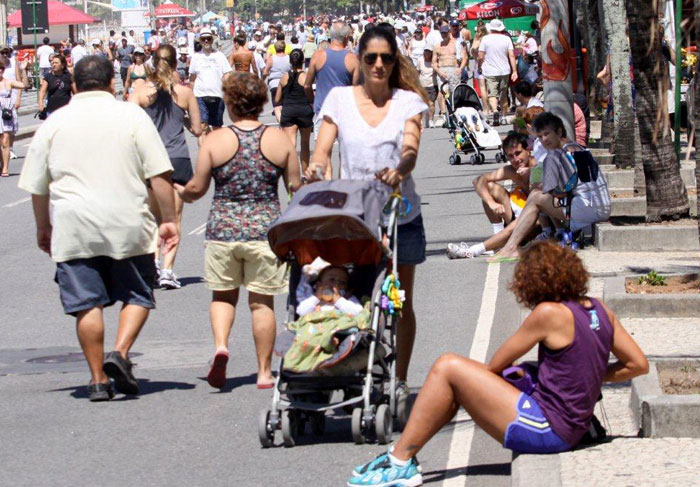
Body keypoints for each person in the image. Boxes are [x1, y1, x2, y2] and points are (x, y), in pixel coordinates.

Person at [349, 241, 649, 486]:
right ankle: (403, 457)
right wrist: (591, 377)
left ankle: (400, 461)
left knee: (447, 367)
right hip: (573, 425)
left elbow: (496, 365)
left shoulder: (548, 313)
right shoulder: (600, 310)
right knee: (459, 380)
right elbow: (637, 364)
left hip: (549, 429)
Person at [18, 56, 179, 401]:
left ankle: (96, 380)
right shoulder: (132, 116)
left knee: (87, 303)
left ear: (74, 86)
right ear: (112, 84)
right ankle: (119, 353)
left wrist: (42, 226)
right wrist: (168, 219)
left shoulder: (54, 123)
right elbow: (159, 175)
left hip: (74, 225)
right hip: (127, 222)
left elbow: (37, 185)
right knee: (138, 293)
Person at [307, 25, 428, 390]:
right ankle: (355, 364)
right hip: (355, 220)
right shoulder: (340, 100)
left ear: (394, 62)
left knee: (400, 300)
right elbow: (322, 150)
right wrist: (316, 169)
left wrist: (399, 170)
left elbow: (411, 149)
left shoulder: (407, 102)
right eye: (371, 57)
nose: (378, 65)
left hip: (400, 217)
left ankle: (401, 379)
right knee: (355, 296)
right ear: (360, 59)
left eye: (386, 58)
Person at [175, 72, 301, 390]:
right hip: (265, 232)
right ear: (260, 102)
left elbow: (198, 188)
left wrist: (179, 192)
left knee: (223, 297)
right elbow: (295, 189)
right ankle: (262, 372)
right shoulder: (279, 140)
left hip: (222, 231)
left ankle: (221, 346)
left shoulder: (216, 141)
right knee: (261, 303)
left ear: (229, 102)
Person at [490, 113, 611, 261]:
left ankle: (511, 247)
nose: (544, 140)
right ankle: (520, 243)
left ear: (559, 131)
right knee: (538, 194)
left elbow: (555, 191)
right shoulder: (576, 147)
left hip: (587, 208)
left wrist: (537, 184)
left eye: (547, 134)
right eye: (540, 136)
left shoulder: (556, 155)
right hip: (600, 205)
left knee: (535, 196)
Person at [130, 45, 201, 290]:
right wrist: (179, 118)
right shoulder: (184, 93)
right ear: (175, 65)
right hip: (178, 159)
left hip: (151, 159)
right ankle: (168, 270)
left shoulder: (141, 91)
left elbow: (128, 124)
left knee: (153, 217)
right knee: (175, 217)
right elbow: (198, 129)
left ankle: (153, 265)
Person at [447, 133, 538, 259]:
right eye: (510, 156)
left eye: (518, 153)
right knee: (489, 187)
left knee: (525, 217)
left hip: (537, 221)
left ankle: (473, 250)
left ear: (528, 150)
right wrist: (491, 203)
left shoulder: (539, 165)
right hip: (520, 213)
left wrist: (532, 172)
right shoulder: (511, 170)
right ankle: (498, 242)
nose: (515, 159)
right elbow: (478, 180)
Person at [304, 21, 360, 139]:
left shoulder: (318, 56)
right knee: (345, 152)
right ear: (346, 37)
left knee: (322, 151)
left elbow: (307, 85)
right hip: (344, 110)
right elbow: (357, 90)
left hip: (322, 109)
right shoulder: (352, 59)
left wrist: (312, 102)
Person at [189, 27, 233, 142]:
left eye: (208, 39)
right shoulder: (196, 57)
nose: (206, 41)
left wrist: (227, 91)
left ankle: (216, 151)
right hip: (200, 95)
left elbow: (227, 74)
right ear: (201, 41)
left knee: (217, 127)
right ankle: (205, 154)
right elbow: (192, 78)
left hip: (217, 95)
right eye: (204, 39)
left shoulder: (219, 56)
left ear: (212, 40)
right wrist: (191, 98)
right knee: (203, 126)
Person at [276, 49, 313, 173]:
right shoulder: (306, 76)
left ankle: (292, 175)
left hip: (289, 111)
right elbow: (310, 96)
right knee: (305, 144)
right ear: (303, 60)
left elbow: (277, 99)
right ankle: (305, 173)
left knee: (291, 145)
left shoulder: (284, 77)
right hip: (304, 110)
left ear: (290, 61)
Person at [478, 19, 517, 126]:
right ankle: (503, 117)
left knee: (492, 94)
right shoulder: (506, 39)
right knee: (504, 94)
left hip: (490, 70)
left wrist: (479, 66)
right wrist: (514, 71)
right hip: (504, 70)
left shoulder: (485, 39)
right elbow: (512, 55)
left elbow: (480, 56)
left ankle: (495, 111)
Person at [0, 60, 28, 177]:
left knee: (5, 141)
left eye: (1, 69)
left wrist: (23, 70)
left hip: (5, 115)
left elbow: (25, 85)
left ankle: (5, 167)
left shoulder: (9, 82)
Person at [262, 40, 291, 122]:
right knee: (285, 104)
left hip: (274, 84)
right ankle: (286, 121)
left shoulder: (271, 59)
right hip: (286, 82)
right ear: (284, 48)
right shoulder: (289, 58)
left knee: (277, 106)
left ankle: (281, 122)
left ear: (275, 48)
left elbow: (265, 72)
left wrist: (262, 80)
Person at [470, 24, 491, 115]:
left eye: (477, 31)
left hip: (480, 65)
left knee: (483, 88)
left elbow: (473, 51)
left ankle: (486, 108)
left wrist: (475, 40)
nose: (476, 33)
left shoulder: (478, 41)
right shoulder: (489, 40)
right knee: (489, 88)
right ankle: (491, 107)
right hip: (490, 65)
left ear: (480, 32)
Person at [416, 47, 437, 127]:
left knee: (431, 104)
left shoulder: (434, 60)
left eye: (428, 52)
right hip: (422, 85)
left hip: (432, 84)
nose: (427, 53)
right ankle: (425, 119)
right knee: (423, 104)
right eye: (425, 52)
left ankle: (431, 120)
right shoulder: (420, 60)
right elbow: (417, 72)